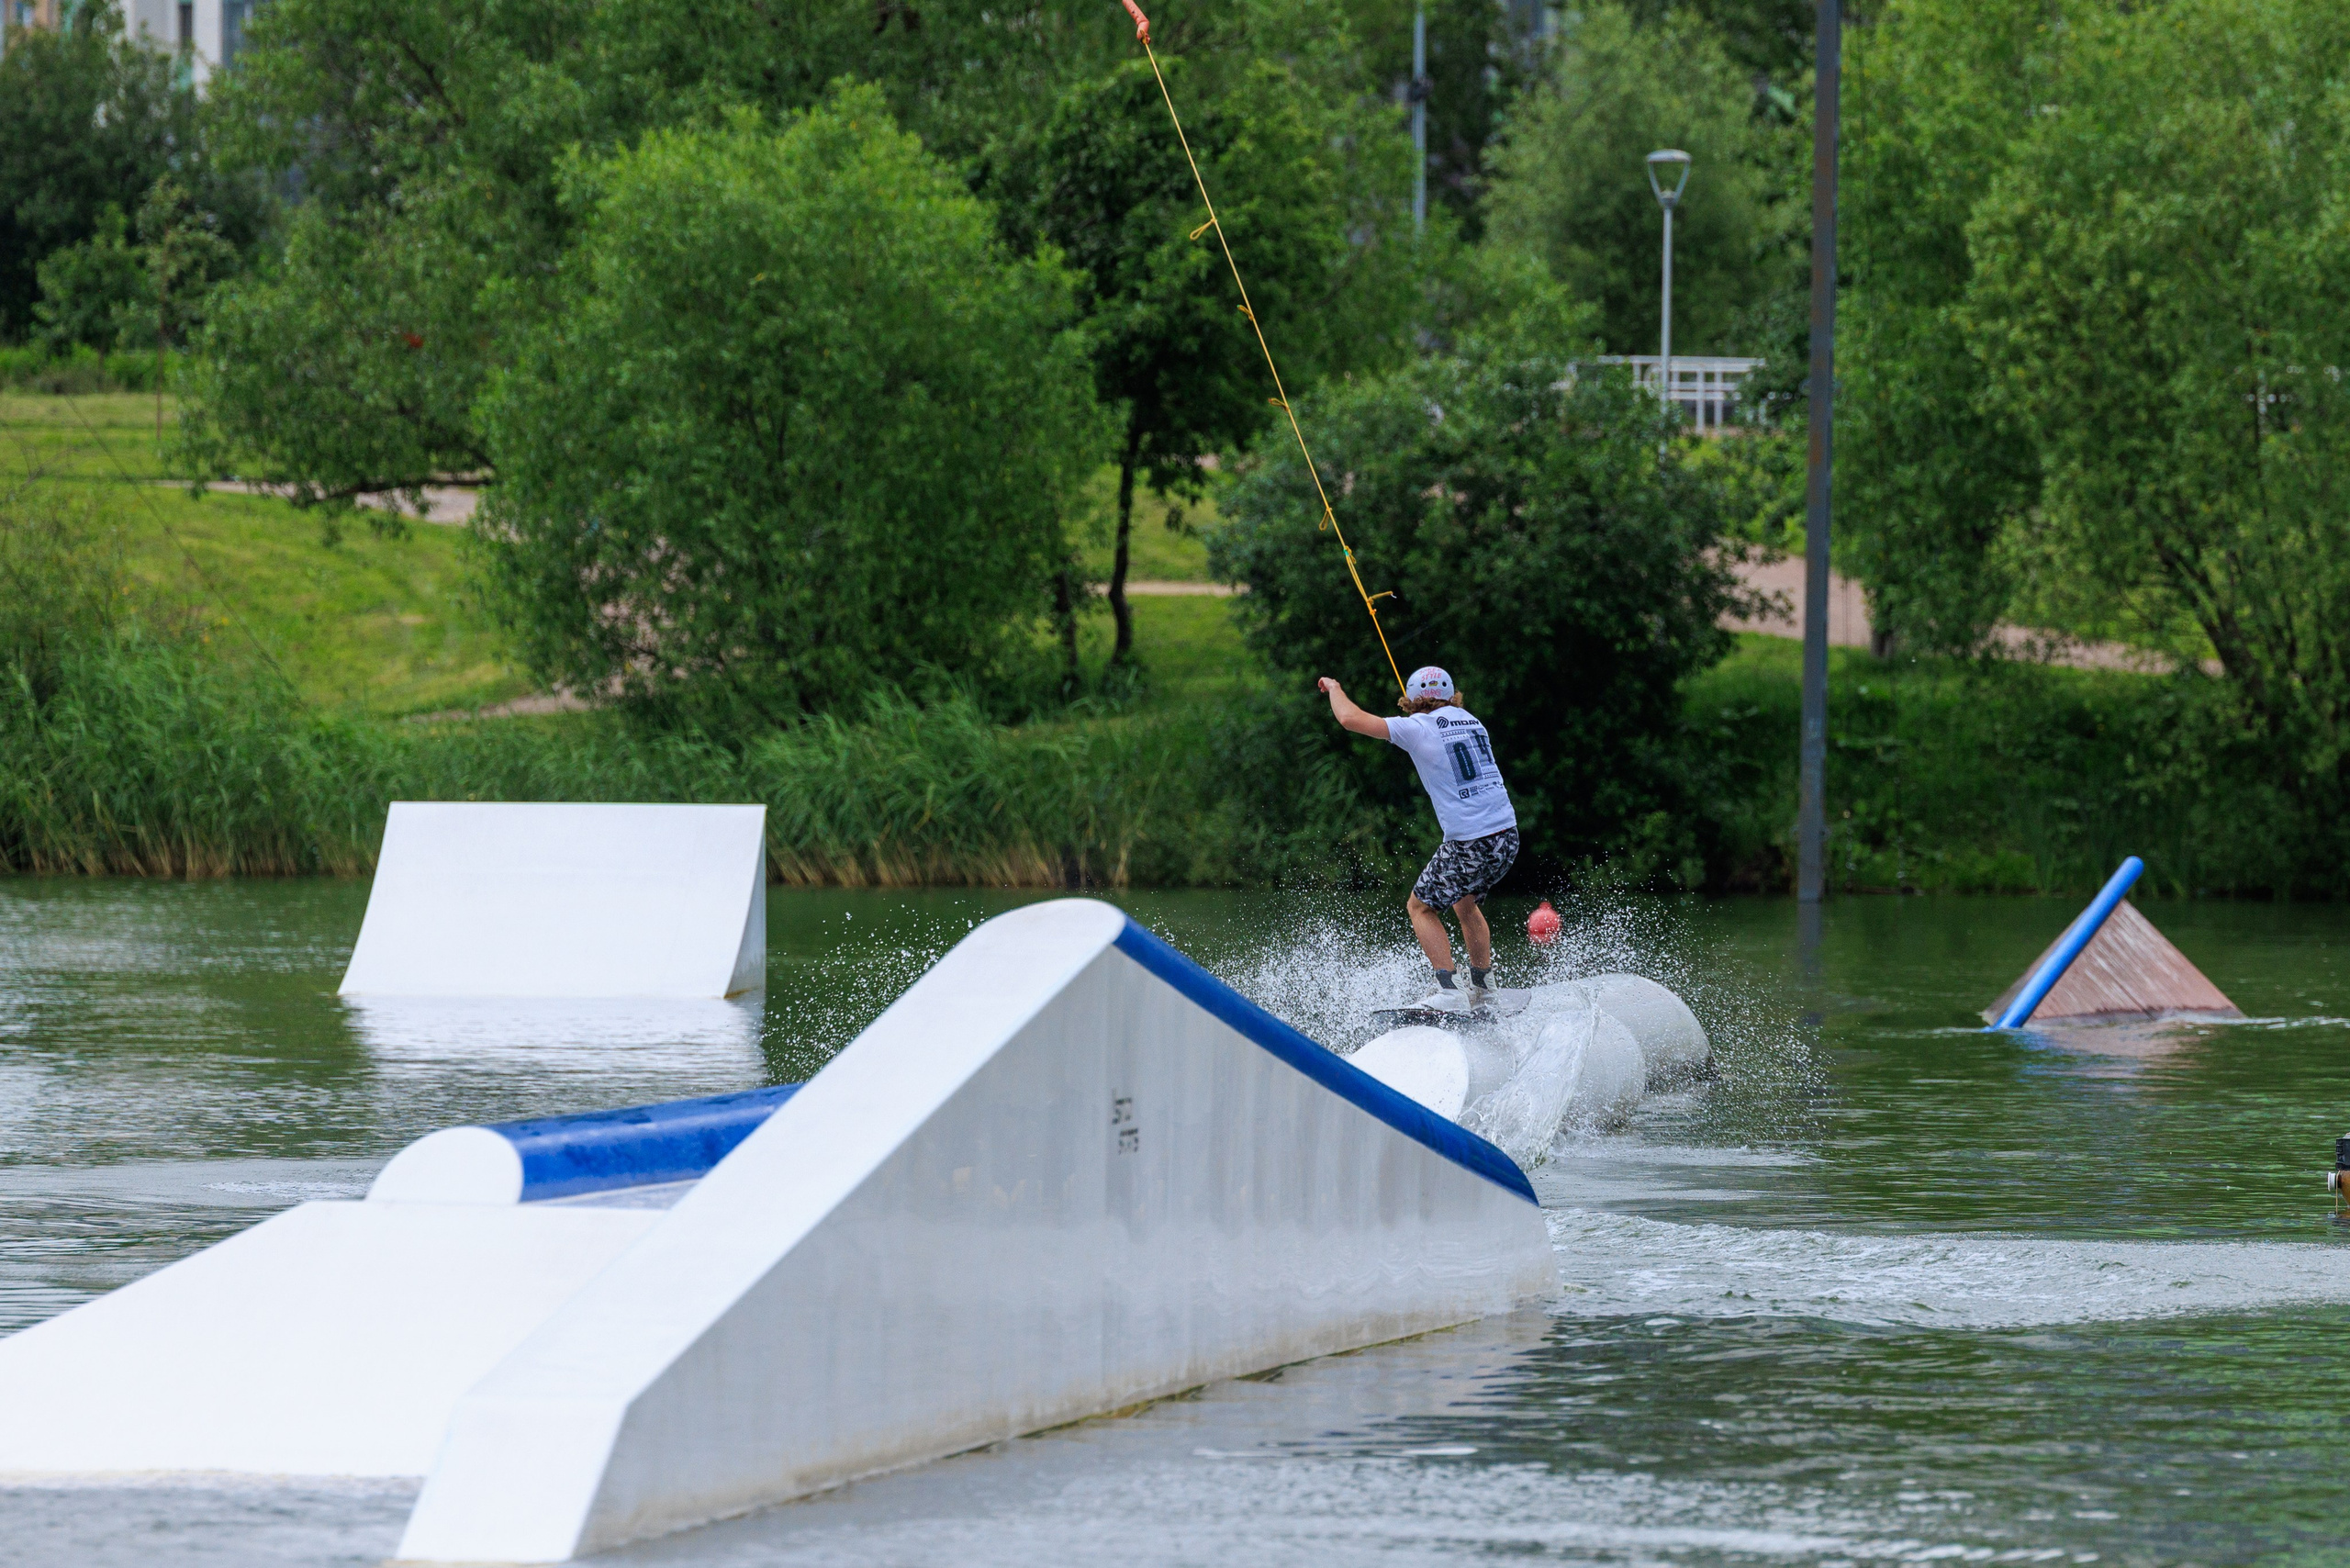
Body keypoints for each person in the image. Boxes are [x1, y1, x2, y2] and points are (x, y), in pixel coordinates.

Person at [1317, 666, 1519, 1005]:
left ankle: (1449, 991)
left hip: (1471, 841)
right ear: (1451, 696)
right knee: (1464, 902)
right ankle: (1485, 988)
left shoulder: (1417, 728)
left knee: (1420, 907)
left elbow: (1350, 719)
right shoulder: (1472, 721)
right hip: (1507, 837)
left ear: (1411, 701)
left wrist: (1335, 688)